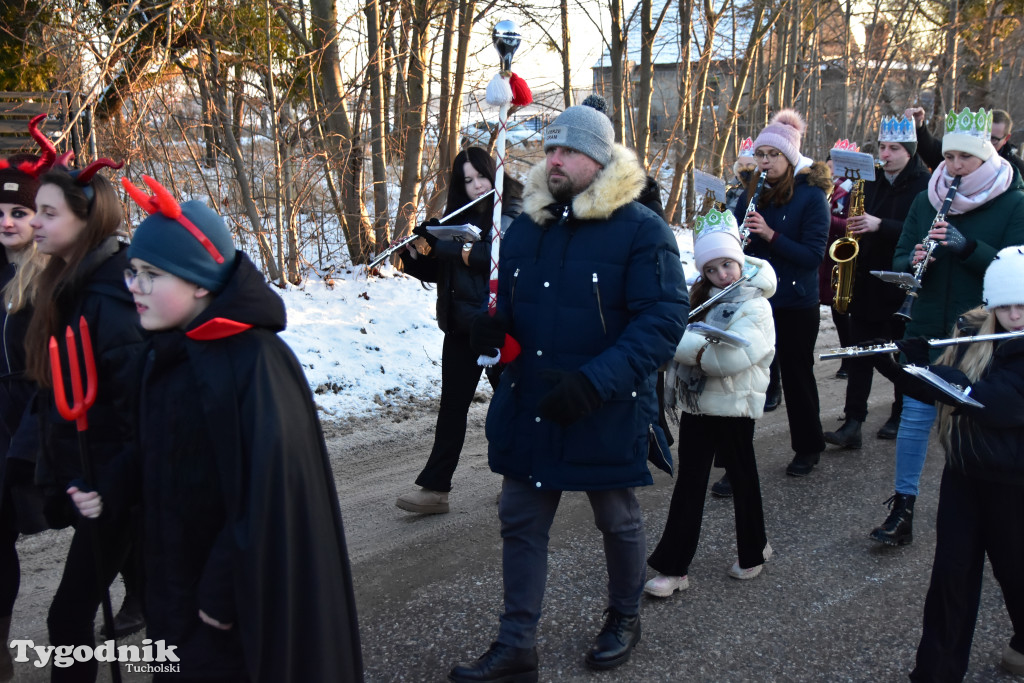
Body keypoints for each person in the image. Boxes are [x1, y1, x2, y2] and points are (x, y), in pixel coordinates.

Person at [70, 175, 363, 681]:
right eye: (132, 272)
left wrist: (222, 593)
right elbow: (157, 448)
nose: (134, 287)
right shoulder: (164, 352)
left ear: (201, 281)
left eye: (150, 275)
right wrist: (110, 481)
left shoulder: (254, 363)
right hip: (174, 592)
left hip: (228, 611)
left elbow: (265, 496)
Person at [449, 102, 688, 681]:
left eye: (568, 151)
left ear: (599, 160)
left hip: (602, 404)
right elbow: (512, 304)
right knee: (520, 519)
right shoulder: (527, 227)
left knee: (617, 518)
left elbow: (662, 321)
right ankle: (516, 644)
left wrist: (596, 381)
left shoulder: (641, 229)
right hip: (533, 402)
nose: (553, 160)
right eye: (550, 149)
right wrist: (494, 328)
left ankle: (624, 617)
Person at [869, 106, 1024, 546]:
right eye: (949, 158)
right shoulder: (928, 198)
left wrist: (967, 246)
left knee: (977, 423)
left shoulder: (1013, 200)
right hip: (926, 320)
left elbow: (1015, 264)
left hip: (982, 330)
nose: (953, 167)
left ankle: (988, 510)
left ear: (986, 158)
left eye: (965, 159)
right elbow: (899, 255)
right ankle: (903, 506)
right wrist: (914, 259)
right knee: (916, 418)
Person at [875, 247, 1024, 680]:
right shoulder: (974, 336)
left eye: (1023, 305)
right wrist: (897, 363)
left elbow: (996, 404)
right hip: (965, 475)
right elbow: (935, 391)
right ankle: (935, 673)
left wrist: (935, 372)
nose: (1015, 315)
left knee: (1016, 572)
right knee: (951, 579)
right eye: (1005, 306)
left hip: (1014, 484)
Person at [24, 158, 146, 682]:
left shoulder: (112, 297)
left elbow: (139, 410)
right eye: (35, 211)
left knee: (69, 614)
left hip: (121, 484)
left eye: (48, 213)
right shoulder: (69, 285)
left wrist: (109, 486)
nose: (35, 223)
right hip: (98, 478)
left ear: (87, 218)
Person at [644, 209, 775, 599]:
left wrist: (677, 343)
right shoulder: (700, 297)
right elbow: (702, 347)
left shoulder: (756, 303)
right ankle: (673, 567)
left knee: (743, 478)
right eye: (712, 269)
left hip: (735, 406)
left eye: (728, 264)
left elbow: (731, 359)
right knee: (690, 483)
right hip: (698, 404)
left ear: (741, 259)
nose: (722, 275)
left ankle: (753, 552)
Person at [395, 147, 523, 515]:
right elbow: (445, 273)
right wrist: (415, 257)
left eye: (481, 176)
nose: (476, 185)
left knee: (509, 404)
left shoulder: (512, 209)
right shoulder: (458, 216)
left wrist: (447, 246)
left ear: (494, 173)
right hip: (460, 328)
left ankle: (517, 479)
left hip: (499, 326)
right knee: (452, 408)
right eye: (467, 180)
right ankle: (435, 489)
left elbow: (496, 256)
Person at [733, 108, 831, 477]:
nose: (765, 162)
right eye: (760, 154)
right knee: (748, 379)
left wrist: (770, 235)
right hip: (756, 299)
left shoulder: (812, 198)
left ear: (789, 157)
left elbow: (811, 257)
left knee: (796, 376)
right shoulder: (752, 193)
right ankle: (736, 460)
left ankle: (808, 446)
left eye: (773, 155)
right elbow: (740, 248)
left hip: (795, 303)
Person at [824, 115, 930, 448]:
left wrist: (878, 224)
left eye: (893, 148)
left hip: (900, 283)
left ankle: (899, 412)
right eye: (882, 147)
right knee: (858, 354)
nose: (885, 154)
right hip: (866, 278)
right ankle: (853, 421)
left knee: (897, 353)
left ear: (909, 152)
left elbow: (922, 233)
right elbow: (860, 220)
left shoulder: (924, 185)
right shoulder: (871, 180)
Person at [0, 143, 51, 682]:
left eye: (20, 211)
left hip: (32, 417)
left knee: (97, 516)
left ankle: (143, 584)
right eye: (0, 212)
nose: (8, 221)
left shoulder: (48, 280)